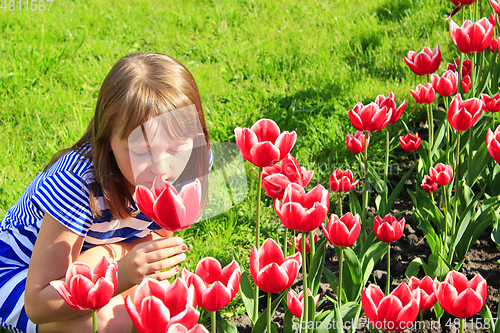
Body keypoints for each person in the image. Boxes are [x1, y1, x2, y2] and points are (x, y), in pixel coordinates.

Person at [0, 53, 212, 333]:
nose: (162, 167)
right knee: (116, 323)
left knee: (164, 304)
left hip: (97, 261)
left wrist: (130, 265)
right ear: (108, 139)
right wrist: (122, 273)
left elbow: (158, 240)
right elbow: (38, 305)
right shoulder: (77, 183)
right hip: (24, 276)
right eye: (141, 151)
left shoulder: (191, 161)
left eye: (175, 148)